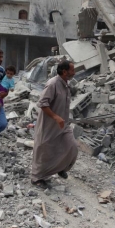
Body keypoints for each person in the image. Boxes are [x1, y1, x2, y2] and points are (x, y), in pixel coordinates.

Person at [31, 61, 78, 189]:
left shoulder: (66, 84)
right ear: (64, 72)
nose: (74, 73)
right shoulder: (52, 84)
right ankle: (36, 178)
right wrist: (56, 117)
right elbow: (43, 103)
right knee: (44, 150)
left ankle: (61, 168)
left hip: (63, 124)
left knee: (72, 147)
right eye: (72, 70)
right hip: (49, 124)